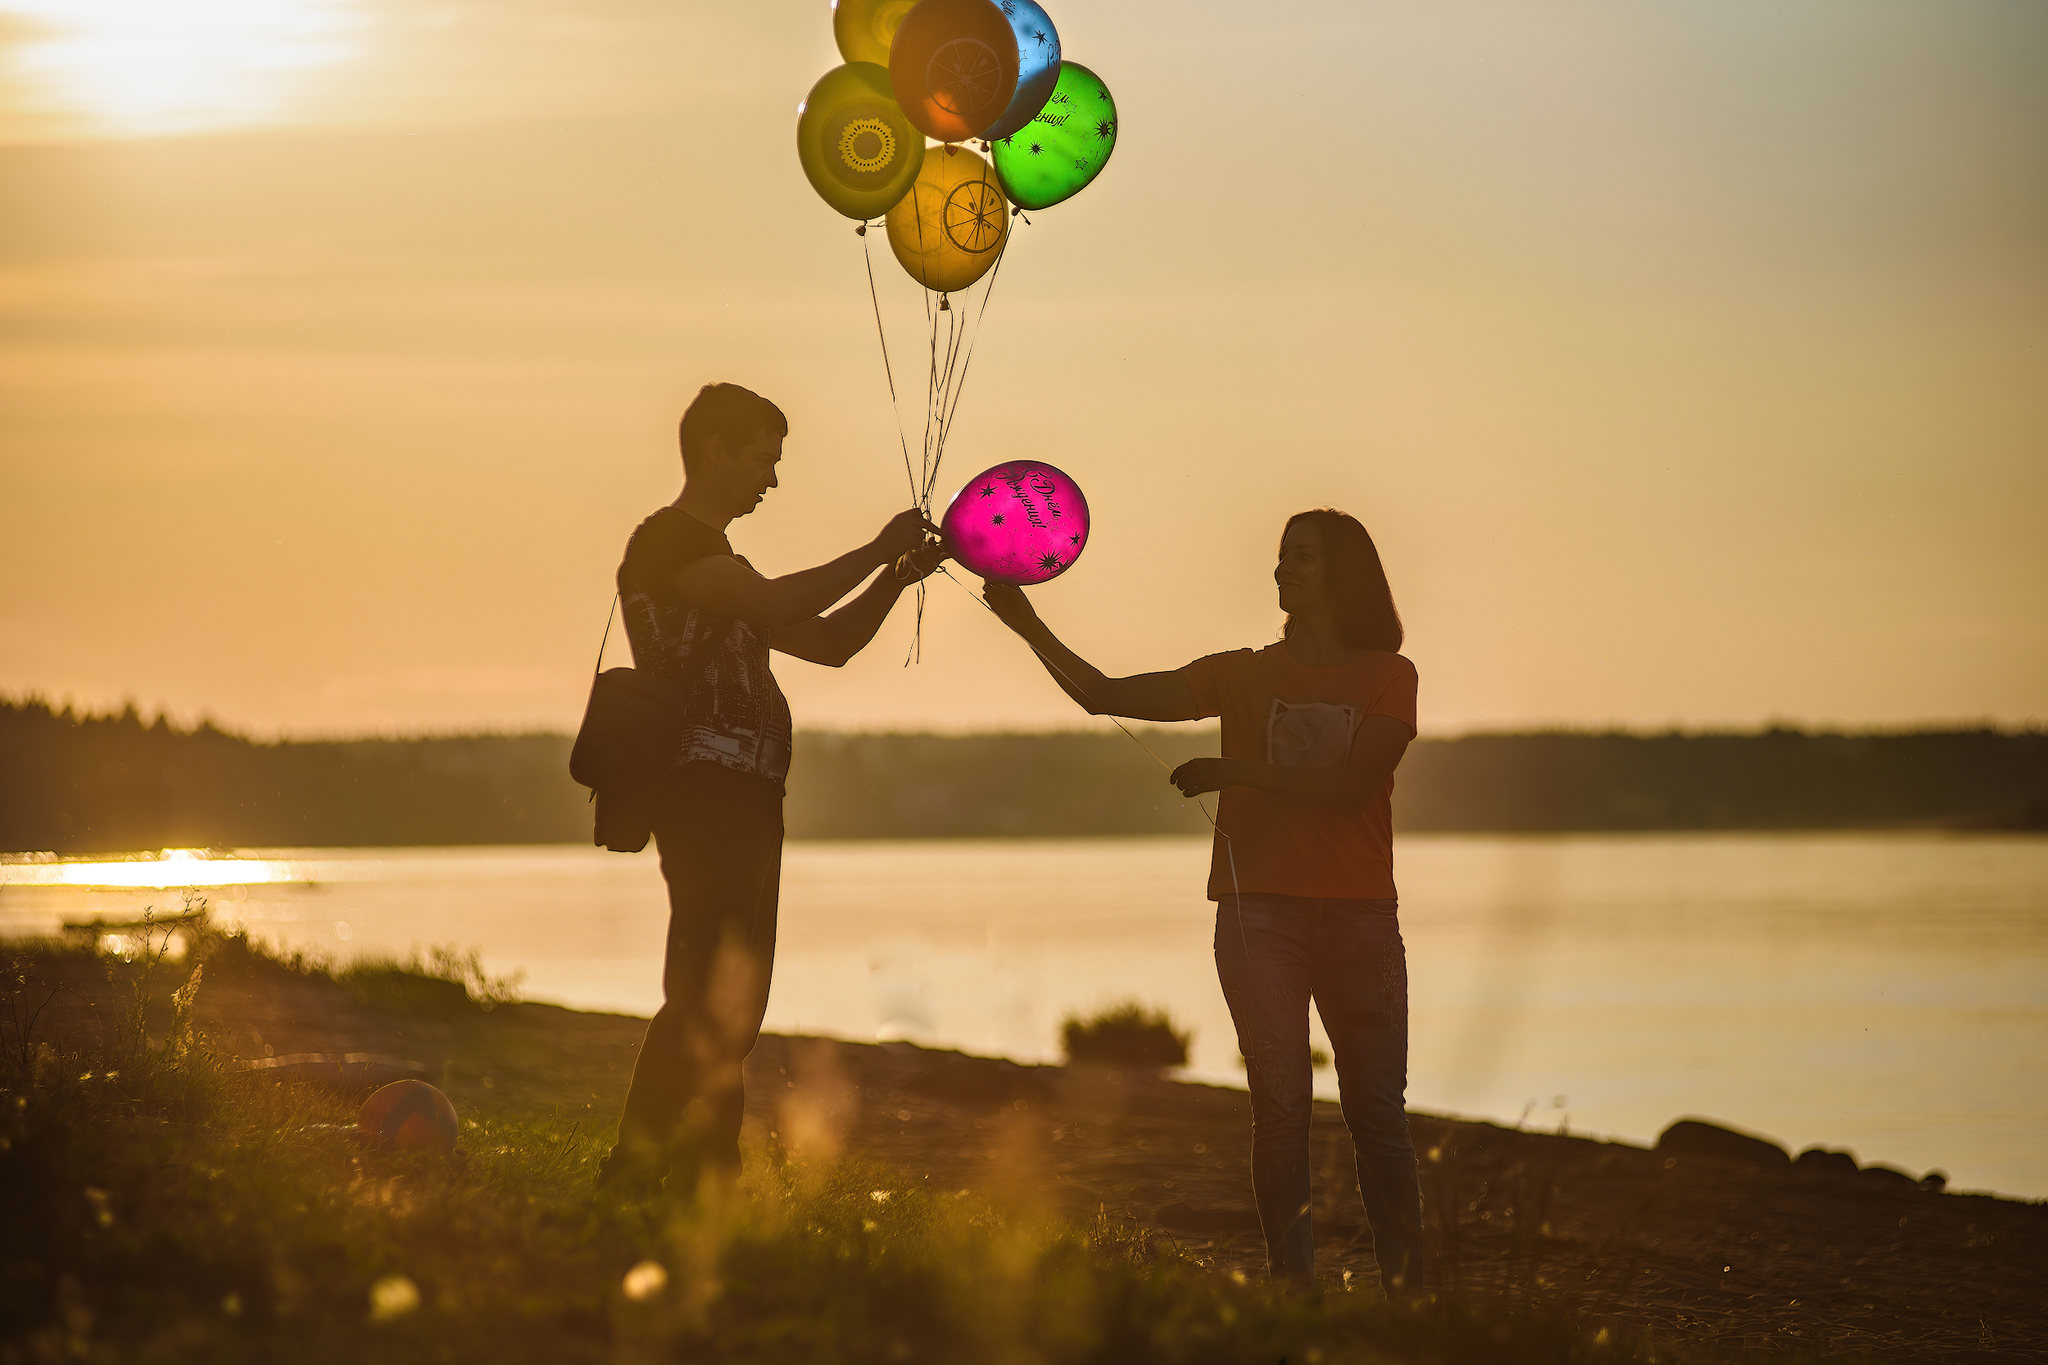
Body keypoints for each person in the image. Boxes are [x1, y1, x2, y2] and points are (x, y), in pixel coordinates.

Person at [983, 508, 1423, 1293]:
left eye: (1303, 558)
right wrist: (1026, 620)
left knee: (1376, 1112)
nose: (1283, 569)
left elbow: (1355, 783)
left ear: (1342, 573)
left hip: (1359, 914)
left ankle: (1410, 1286)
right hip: (1261, 914)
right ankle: (1293, 1282)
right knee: (1282, 1103)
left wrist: (1239, 772)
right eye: (1281, 555)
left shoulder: (1391, 674)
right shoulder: (1241, 672)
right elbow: (1101, 693)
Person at [597, 381, 944, 1197]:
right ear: (714, 449)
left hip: (751, 797)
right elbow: (784, 600)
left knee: (736, 1005)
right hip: (703, 792)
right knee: (702, 993)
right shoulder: (668, 544)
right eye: (763, 458)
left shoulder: (724, 562)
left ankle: (696, 1169)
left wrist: (896, 574)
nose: (772, 479)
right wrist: (873, 545)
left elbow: (828, 642)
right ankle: (647, 1170)